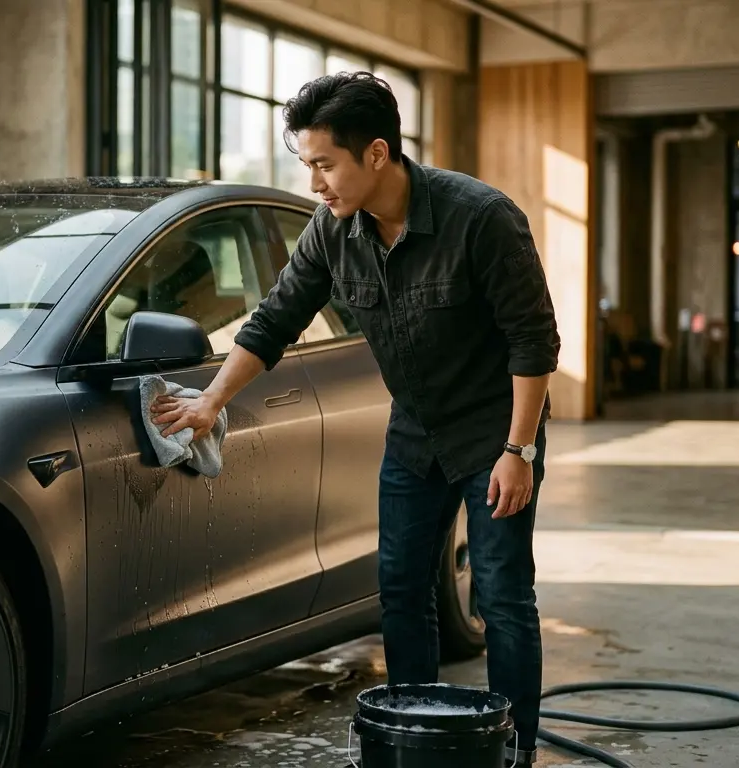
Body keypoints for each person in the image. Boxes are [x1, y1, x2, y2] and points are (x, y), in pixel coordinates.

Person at [149, 71, 560, 766]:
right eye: (306, 165)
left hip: (495, 432)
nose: (315, 184)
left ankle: (512, 751)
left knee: (502, 593)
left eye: (324, 165)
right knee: (400, 586)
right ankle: (414, 740)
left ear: (376, 154)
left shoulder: (481, 218)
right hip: (415, 434)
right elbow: (275, 320)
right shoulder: (332, 232)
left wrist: (519, 451)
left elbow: (534, 340)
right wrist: (210, 401)